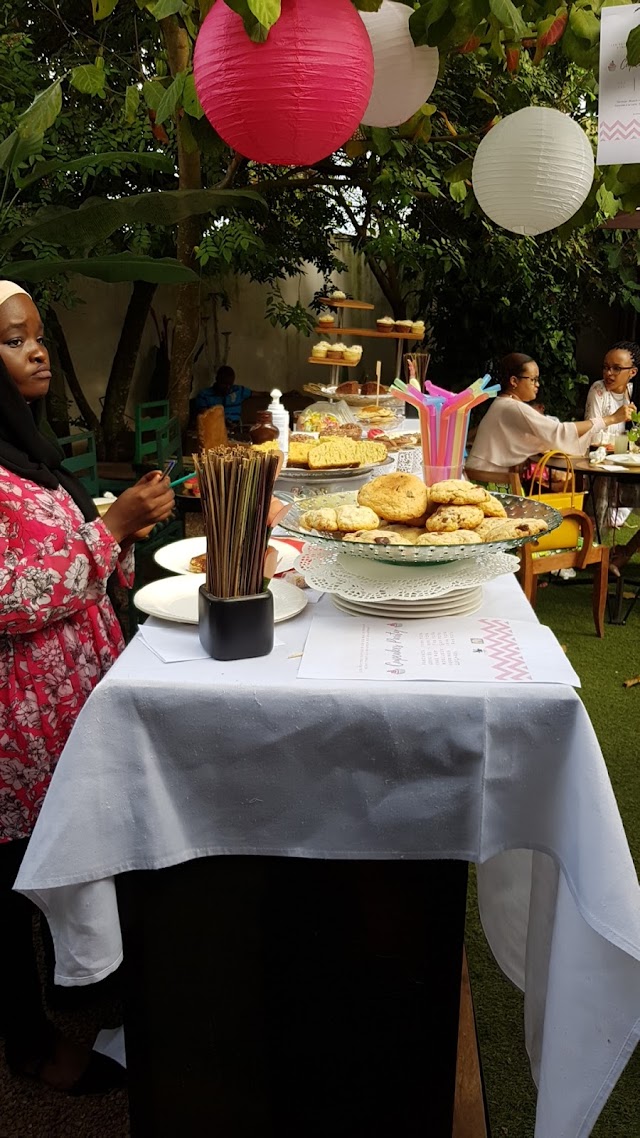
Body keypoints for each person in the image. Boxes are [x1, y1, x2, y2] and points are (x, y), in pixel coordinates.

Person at [0, 280, 175, 1093]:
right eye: (12, 339)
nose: (36, 350)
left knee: (71, 861)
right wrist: (111, 529)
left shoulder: (30, 451)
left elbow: (76, 560)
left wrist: (125, 532)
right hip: (15, 739)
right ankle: (30, 1045)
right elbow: (14, 597)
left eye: (36, 334)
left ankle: (88, 994)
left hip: (73, 711)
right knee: (12, 893)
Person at [467, 352, 635, 473]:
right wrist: (611, 418)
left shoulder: (504, 404)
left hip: (483, 475)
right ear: (514, 381)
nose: (537, 385)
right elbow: (559, 432)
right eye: (533, 379)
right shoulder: (512, 407)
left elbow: (547, 433)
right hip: (490, 481)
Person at [584, 342, 640, 536]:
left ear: (632, 372)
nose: (609, 373)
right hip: (600, 458)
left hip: (627, 460)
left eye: (617, 368)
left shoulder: (633, 394)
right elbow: (592, 432)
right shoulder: (599, 390)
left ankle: (624, 550)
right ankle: (593, 540)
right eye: (606, 367)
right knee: (602, 484)